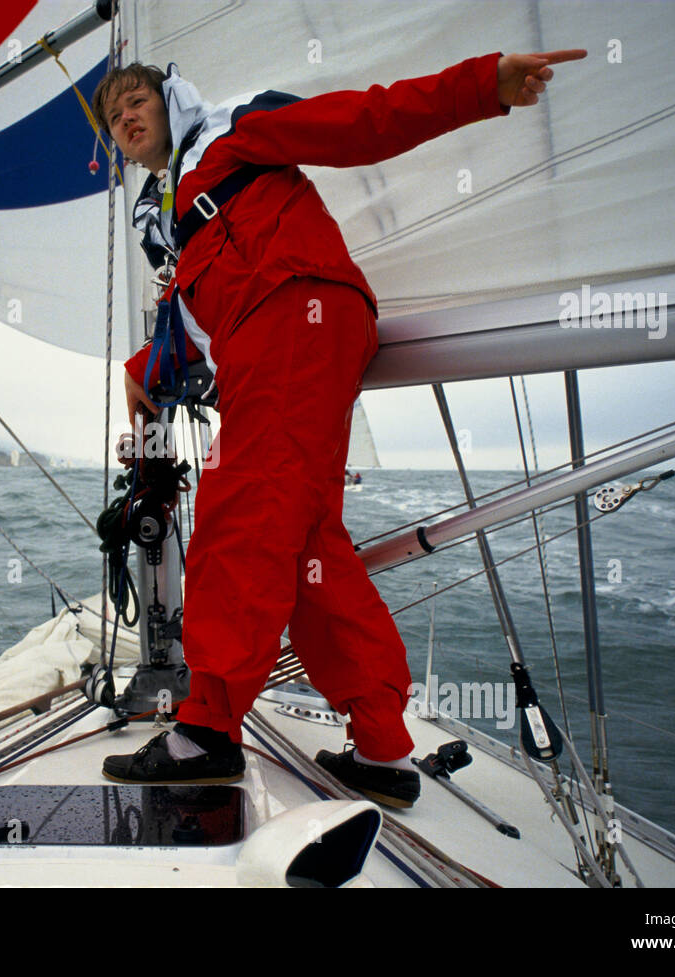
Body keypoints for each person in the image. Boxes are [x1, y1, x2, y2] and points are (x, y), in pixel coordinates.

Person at [95, 48, 585, 807]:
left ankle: (208, 731)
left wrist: (477, 85)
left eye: (138, 99)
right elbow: (189, 327)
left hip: (291, 313)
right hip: (291, 327)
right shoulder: (175, 214)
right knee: (308, 552)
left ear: (169, 100)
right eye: (113, 114)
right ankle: (385, 748)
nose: (126, 116)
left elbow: (357, 121)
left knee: (242, 514)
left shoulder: (231, 131)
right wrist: (140, 366)